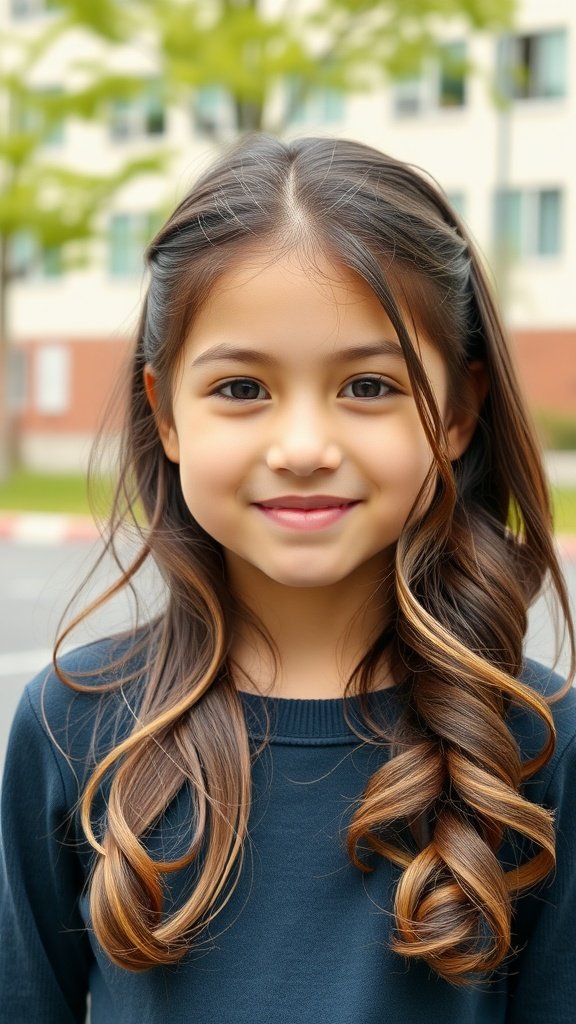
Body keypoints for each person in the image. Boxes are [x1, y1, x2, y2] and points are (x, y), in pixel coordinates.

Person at [1, 135, 575, 1024]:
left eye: (369, 386)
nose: (303, 447)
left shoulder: (539, 746)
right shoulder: (70, 727)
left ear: (459, 413)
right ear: (164, 413)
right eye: (240, 388)